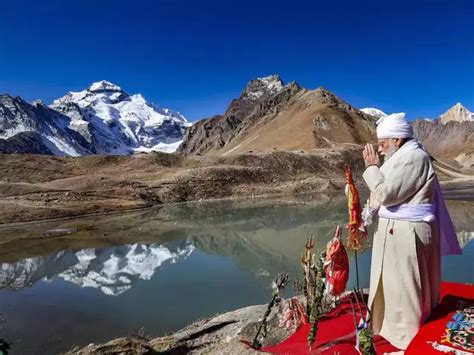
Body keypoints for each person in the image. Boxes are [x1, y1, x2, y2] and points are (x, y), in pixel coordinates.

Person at [361, 113, 462, 350]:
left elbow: (388, 194)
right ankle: (388, 327)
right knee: (394, 283)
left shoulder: (414, 157)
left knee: (406, 286)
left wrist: (372, 168)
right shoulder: (401, 156)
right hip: (398, 233)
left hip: (409, 235)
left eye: (382, 142)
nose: (380, 148)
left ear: (397, 139)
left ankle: (408, 338)